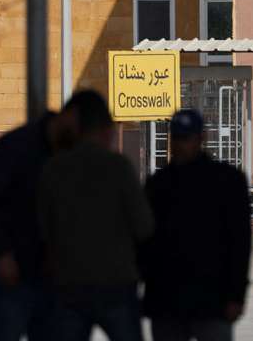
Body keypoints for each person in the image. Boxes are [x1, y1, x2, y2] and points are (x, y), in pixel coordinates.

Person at [38, 89, 153, 341]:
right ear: (105, 129)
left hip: (69, 284)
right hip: (117, 283)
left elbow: (42, 230)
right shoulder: (119, 167)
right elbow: (143, 226)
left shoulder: (54, 169)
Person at [0, 97, 77, 341]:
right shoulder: (16, 147)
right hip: (12, 274)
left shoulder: (73, 152)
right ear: (68, 119)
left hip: (53, 279)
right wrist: (2, 253)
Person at [142, 109, 253, 341]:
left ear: (202, 138)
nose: (181, 145)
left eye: (187, 138)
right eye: (177, 138)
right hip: (168, 299)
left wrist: (237, 295)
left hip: (212, 299)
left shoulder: (227, 181)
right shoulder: (158, 186)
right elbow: (145, 241)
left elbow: (240, 242)